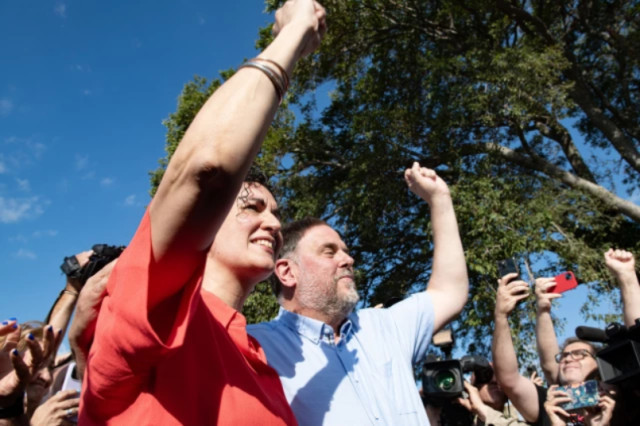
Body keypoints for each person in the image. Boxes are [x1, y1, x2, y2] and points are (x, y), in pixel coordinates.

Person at [79, 1, 326, 424]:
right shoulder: (151, 308)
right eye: (252, 207)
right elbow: (208, 171)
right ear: (206, 225)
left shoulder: (258, 361)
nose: (274, 222)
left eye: (276, 212)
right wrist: (294, 33)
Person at [248, 163, 469, 425]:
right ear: (287, 273)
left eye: (345, 250)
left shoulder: (386, 327)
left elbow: (449, 292)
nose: (348, 259)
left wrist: (439, 198)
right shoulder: (253, 349)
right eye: (329, 252)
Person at [492, 273, 616, 426]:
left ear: (599, 365)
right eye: (564, 356)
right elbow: (509, 378)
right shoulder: (549, 406)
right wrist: (501, 316)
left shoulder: (618, 402)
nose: (569, 359)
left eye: (580, 354)